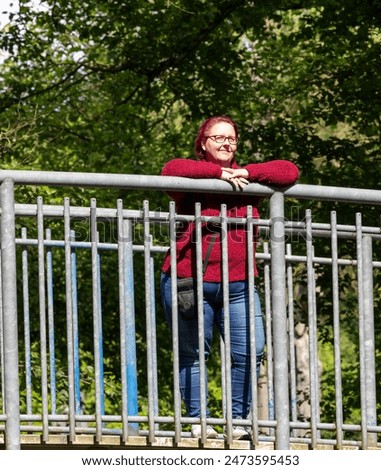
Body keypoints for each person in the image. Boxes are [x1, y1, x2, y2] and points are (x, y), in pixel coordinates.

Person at [160, 115, 299, 440]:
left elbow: (289, 171)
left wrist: (246, 173)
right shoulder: (193, 179)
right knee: (193, 354)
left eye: (231, 139)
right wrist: (217, 175)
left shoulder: (247, 182)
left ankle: (237, 421)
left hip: (239, 286)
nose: (225, 143)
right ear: (203, 143)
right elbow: (170, 169)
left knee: (251, 352)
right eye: (218, 137)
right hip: (187, 283)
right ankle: (199, 422)